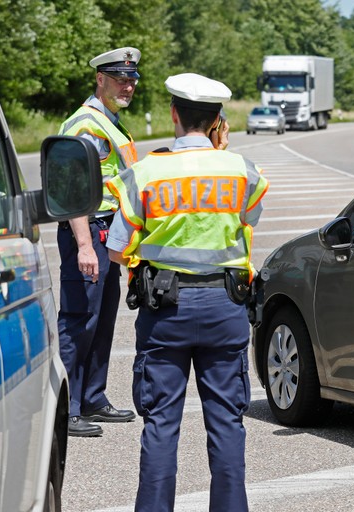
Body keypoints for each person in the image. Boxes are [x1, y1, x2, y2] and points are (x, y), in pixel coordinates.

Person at [106, 72, 268, 512]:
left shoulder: (145, 172)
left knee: (160, 424)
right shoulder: (241, 170)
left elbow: (117, 248)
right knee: (228, 424)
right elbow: (248, 220)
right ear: (218, 119)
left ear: (174, 114)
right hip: (225, 307)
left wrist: (145, 265)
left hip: (165, 309)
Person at [57, 47, 141, 437]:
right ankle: (68, 408)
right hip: (87, 230)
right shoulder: (85, 125)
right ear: (100, 79)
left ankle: (93, 397)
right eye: (120, 78)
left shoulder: (111, 121)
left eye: (132, 80)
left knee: (103, 318)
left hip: (108, 229)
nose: (128, 85)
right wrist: (85, 245)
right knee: (79, 318)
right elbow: (72, 190)